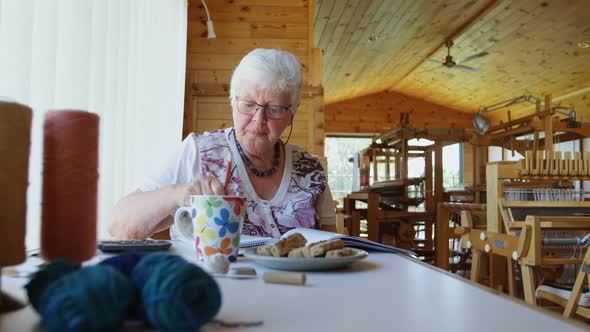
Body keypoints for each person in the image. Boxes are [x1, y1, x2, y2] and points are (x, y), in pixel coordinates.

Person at [108, 48, 336, 240]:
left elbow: (332, 248)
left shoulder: (310, 170)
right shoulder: (199, 152)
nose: (258, 120)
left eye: (274, 109)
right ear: (233, 103)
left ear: (291, 115)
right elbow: (118, 226)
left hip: (297, 290)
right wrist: (178, 194)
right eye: (248, 105)